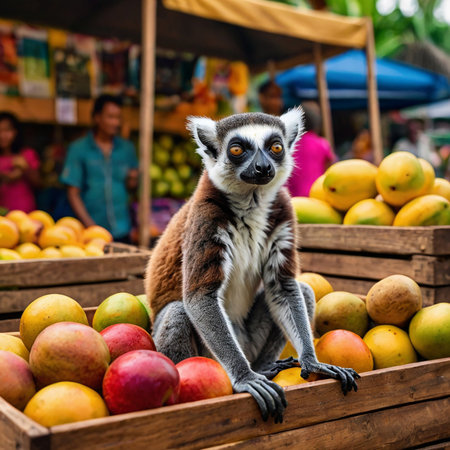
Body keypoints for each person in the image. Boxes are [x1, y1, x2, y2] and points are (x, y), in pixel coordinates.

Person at [61, 95, 139, 242]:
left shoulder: (127, 149)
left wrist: (133, 180)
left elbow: (131, 189)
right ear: (97, 118)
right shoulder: (79, 149)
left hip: (122, 229)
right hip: (91, 231)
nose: (115, 122)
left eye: (118, 117)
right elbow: (73, 193)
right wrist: (91, 226)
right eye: (110, 117)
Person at [287, 102, 335, 197]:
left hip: (292, 198)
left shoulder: (288, 145)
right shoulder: (322, 144)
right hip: (317, 197)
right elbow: (330, 170)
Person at [0, 112, 40, 212]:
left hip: (26, 214)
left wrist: (26, 168)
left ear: (16, 132)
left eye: (7, 130)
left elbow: (39, 183)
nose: (2, 135)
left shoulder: (27, 154)